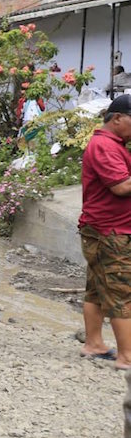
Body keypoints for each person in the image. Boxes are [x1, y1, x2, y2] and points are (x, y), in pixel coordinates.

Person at [77, 93, 131, 369]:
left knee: (97, 289)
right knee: (122, 290)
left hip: (101, 228)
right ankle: (126, 357)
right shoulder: (104, 146)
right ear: (118, 118)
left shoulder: (113, 144)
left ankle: (94, 344)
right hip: (110, 230)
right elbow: (121, 187)